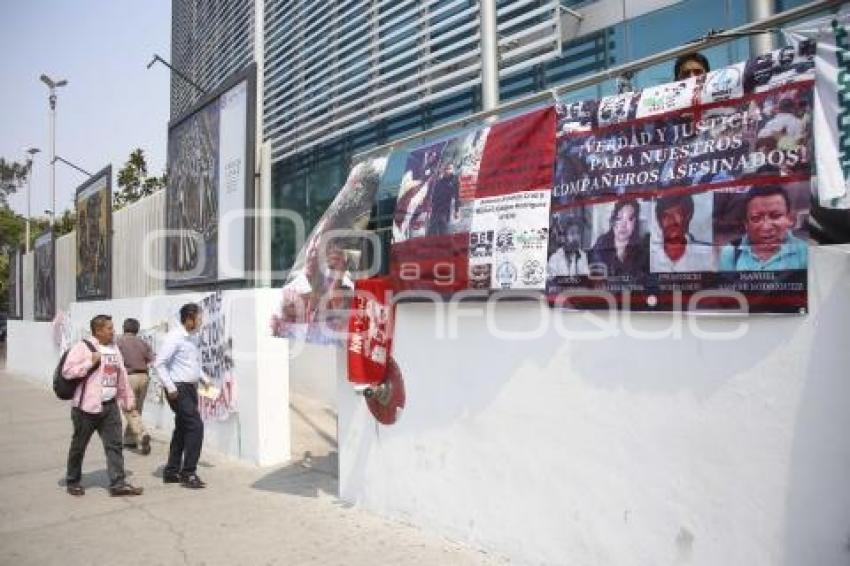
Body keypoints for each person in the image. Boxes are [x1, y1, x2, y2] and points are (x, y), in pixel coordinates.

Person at [63, 314, 143, 497]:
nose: (113, 332)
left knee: (115, 445)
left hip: (110, 406)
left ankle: (118, 483)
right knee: (79, 445)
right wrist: (90, 361)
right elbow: (67, 372)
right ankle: (73, 480)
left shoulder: (114, 348)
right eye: (109, 329)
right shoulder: (83, 347)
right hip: (86, 409)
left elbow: (121, 376)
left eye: (112, 328)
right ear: (98, 331)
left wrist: (127, 400)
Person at [155, 303, 208, 489]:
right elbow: (159, 363)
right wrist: (170, 388)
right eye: (199, 318)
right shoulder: (174, 338)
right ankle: (189, 473)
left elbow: (191, 363)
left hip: (190, 388)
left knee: (183, 429)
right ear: (189, 319)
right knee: (196, 427)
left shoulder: (192, 338)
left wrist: (204, 378)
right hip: (178, 389)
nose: (201, 322)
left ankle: (171, 471)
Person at [718, 185, 808, 271]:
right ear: (746, 224)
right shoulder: (731, 252)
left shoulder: (805, 252)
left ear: (790, 219)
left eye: (775, 216)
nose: (766, 227)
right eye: (756, 218)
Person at [116, 318, 153, 455]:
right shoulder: (143, 343)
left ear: (123, 328)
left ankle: (142, 433)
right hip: (144, 377)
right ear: (137, 329)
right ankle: (129, 440)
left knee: (128, 408)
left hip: (128, 377)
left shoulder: (118, 342)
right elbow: (151, 359)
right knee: (137, 409)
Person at [651, 194, 715, 272]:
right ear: (659, 222)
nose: (671, 220)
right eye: (665, 216)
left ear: (687, 216)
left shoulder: (708, 257)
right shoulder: (650, 258)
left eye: (677, 213)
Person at [589, 199, 649, 277]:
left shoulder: (642, 249)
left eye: (629, 219)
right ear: (613, 220)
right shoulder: (600, 244)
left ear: (635, 223)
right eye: (619, 218)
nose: (623, 225)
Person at [428, 162, 460, 235]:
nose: (447, 171)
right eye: (445, 169)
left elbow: (457, 196)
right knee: (432, 232)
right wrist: (430, 205)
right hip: (435, 209)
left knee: (443, 230)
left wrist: (456, 210)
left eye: (449, 169)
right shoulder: (439, 181)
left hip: (445, 210)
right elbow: (433, 194)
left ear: (453, 170)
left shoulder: (454, 180)